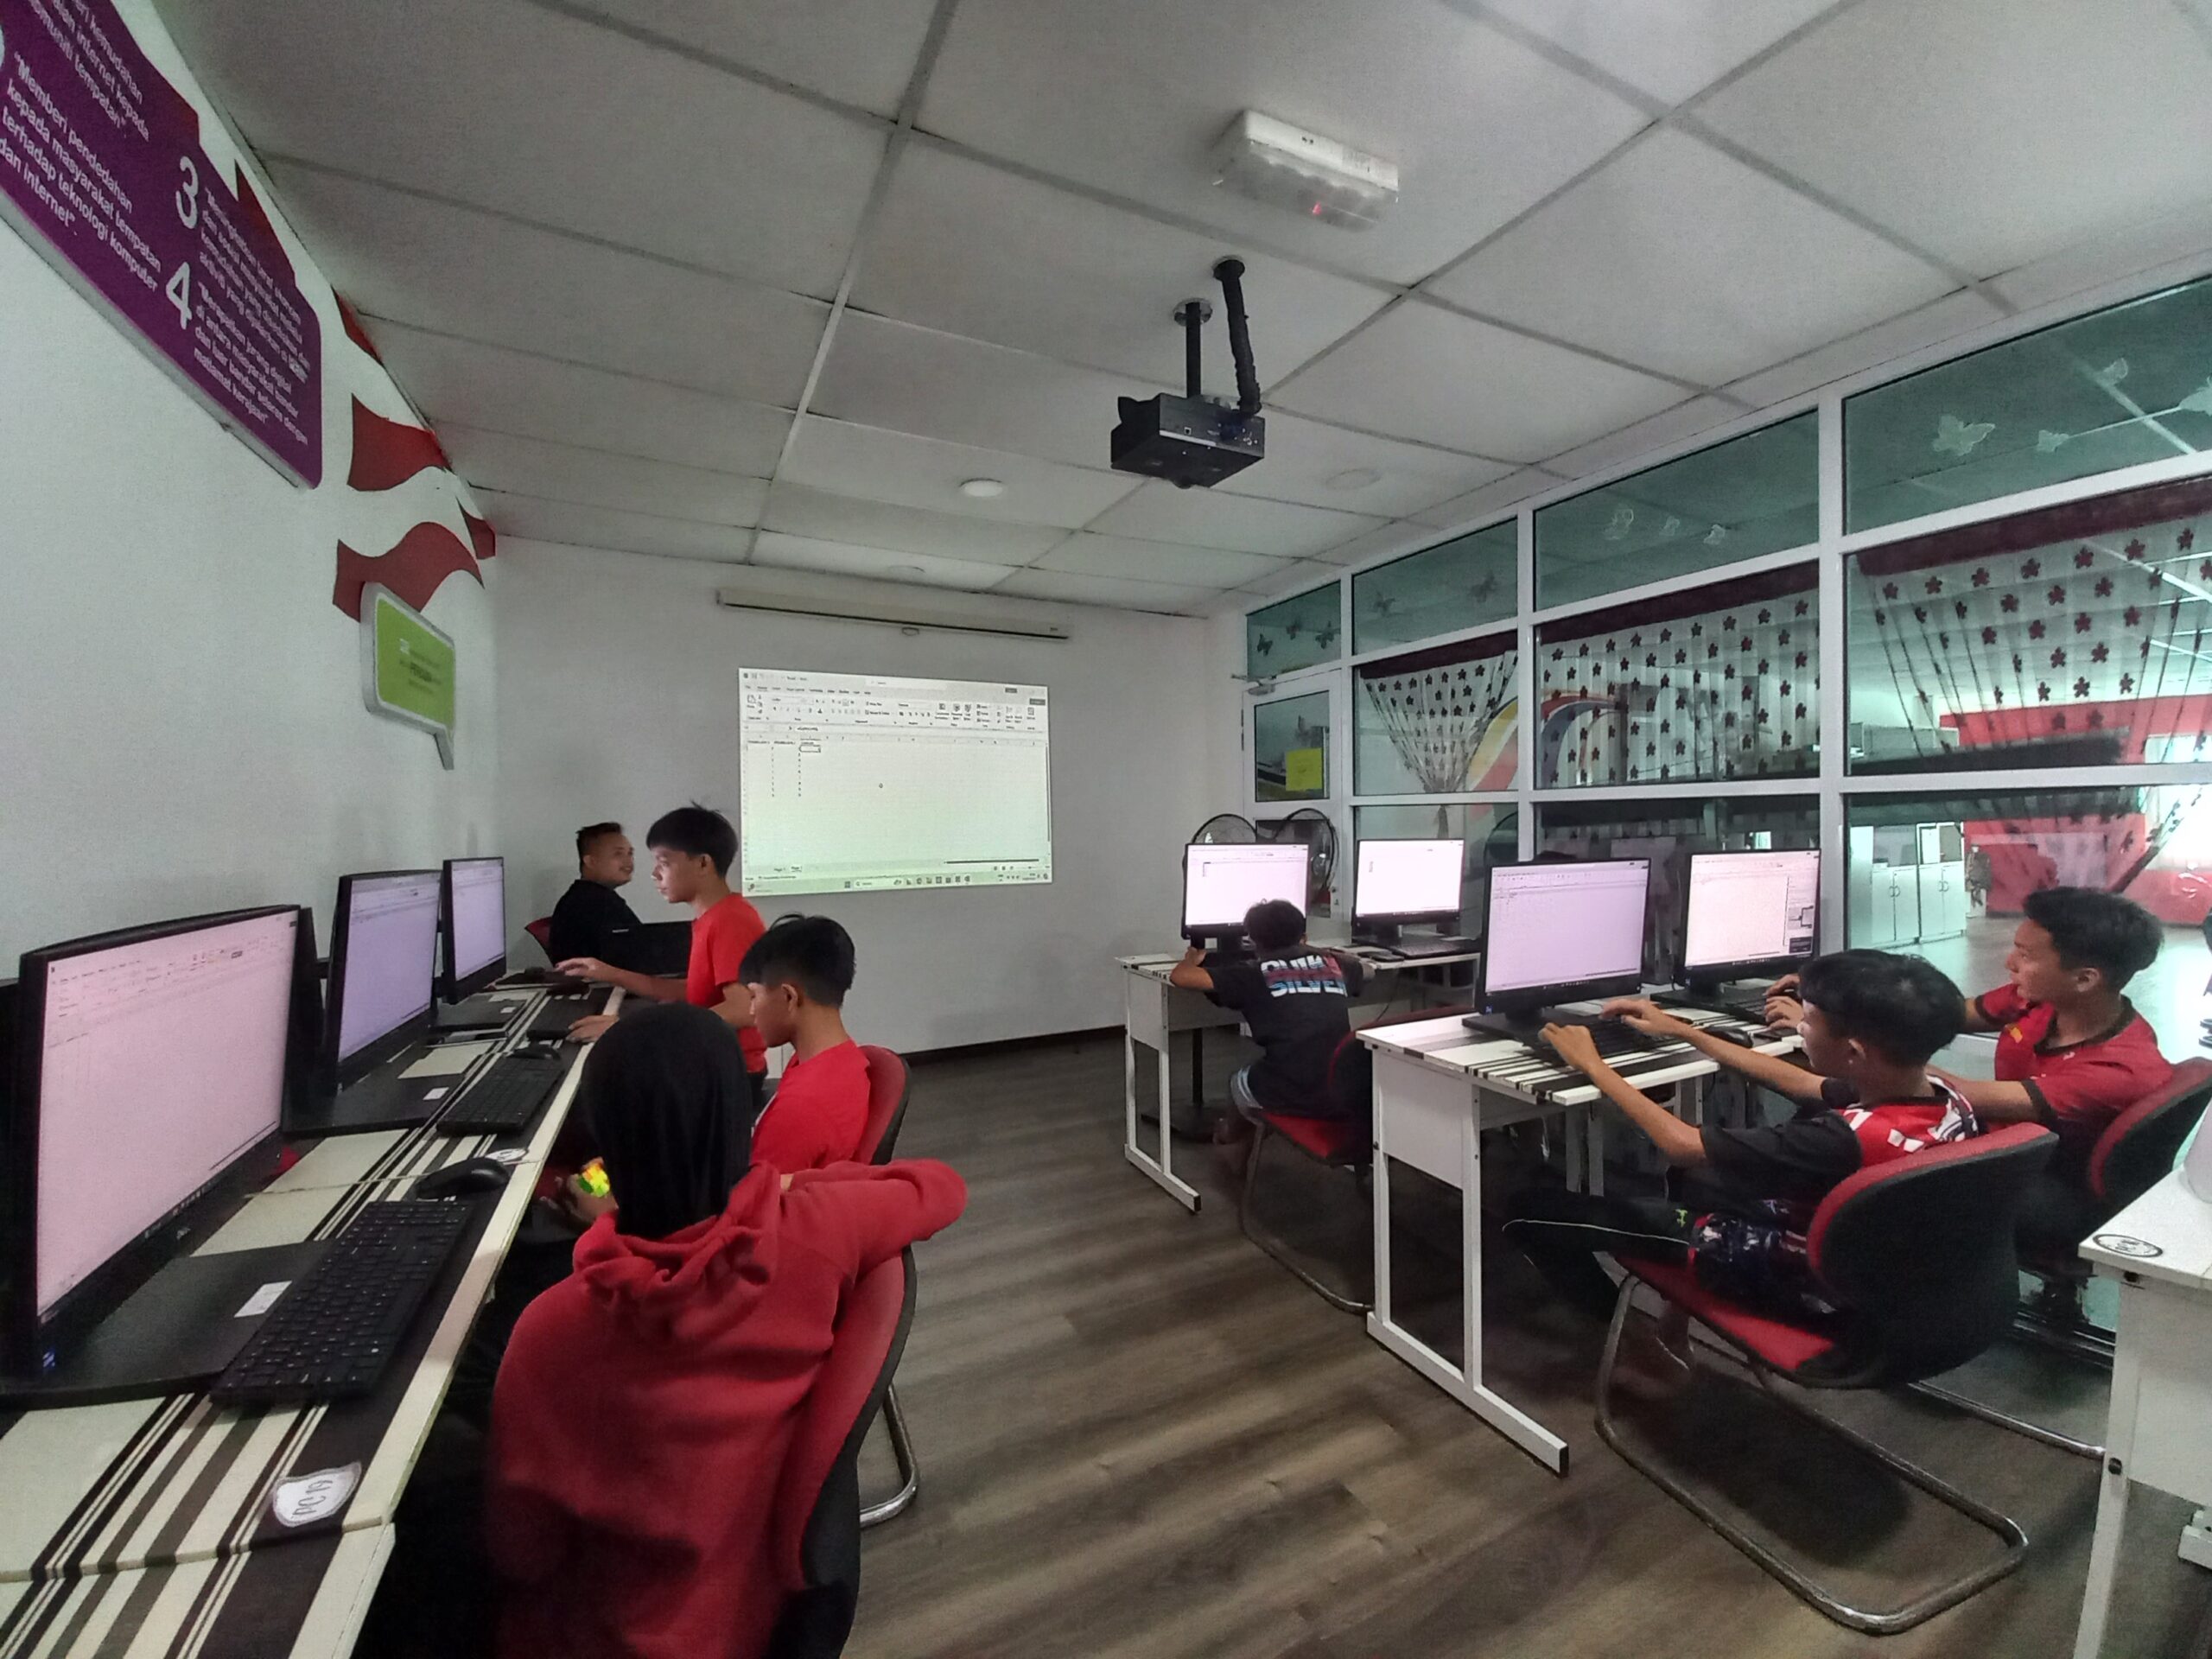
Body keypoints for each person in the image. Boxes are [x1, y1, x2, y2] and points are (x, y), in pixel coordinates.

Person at [486, 1004, 966, 1659]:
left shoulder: (551, 1333)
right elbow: (941, 1187)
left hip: (619, 1636)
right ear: (743, 1121)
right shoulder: (817, 1234)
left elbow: (522, 1554)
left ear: (608, 1147)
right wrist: (791, 1186)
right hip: (751, 1614)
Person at [1503, 950, 1979, 1323]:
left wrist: (1592, 1065)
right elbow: (1801, 1083)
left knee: (1527, 1209)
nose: (1800, 1027)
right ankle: (1673, 1328)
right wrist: (1683, 1030)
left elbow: (1682, 1145)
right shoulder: (1940, 1097)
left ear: (1854, 1052)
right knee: (1701, 1182)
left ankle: (1643, 1355)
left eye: (1809, 1020)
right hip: (1864, 1264)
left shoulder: (1838, 1139)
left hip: (1799, 1278)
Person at [1766, 886, 2170, 1180]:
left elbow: (1942, 1090)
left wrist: (1829, 1030)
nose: (2010, 962)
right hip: (1985, 1140)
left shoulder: (2116, 1070)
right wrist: (1833, 996)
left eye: (2026, 955)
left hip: (2023, 1175)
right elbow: (1930, 1011)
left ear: (2084, 979)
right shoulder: (2040, 1000)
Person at [559, 804, 769, 1096]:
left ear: (703, 864)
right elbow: (694, 992)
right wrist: (609, 973)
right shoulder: (713, 917)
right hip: (712, 1064)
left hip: (728, 1075)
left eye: (664, 863)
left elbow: (743, 1009)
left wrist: (632, 1027)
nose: (654, 874)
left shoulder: (731, 920)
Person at [1168, 899, 1365, 1163]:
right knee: (1270, 1073)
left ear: (1253, 940)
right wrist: (1318, 953)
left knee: (1237, 1081)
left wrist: (1190, 959)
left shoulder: (1253, 973)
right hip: (1346, 1090)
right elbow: (1367, 970)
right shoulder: (1334, 965)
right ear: (1303, 936)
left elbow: (1181, 977)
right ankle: (1241, 1148)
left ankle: (1229, 1136)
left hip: (1296, 1092)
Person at [742, 914, 869, 1172]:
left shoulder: (800, 1109)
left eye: (754, 996)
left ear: (789, 997)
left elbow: (756, 1194)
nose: (751, 1010)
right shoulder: (843, 1058)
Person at [546, 822, 644, 967]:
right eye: (618, 854)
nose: (628, 861)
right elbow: (642, 953)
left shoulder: (582, 896)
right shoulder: (596, 902)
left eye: (630, 853)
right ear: (591, 861)